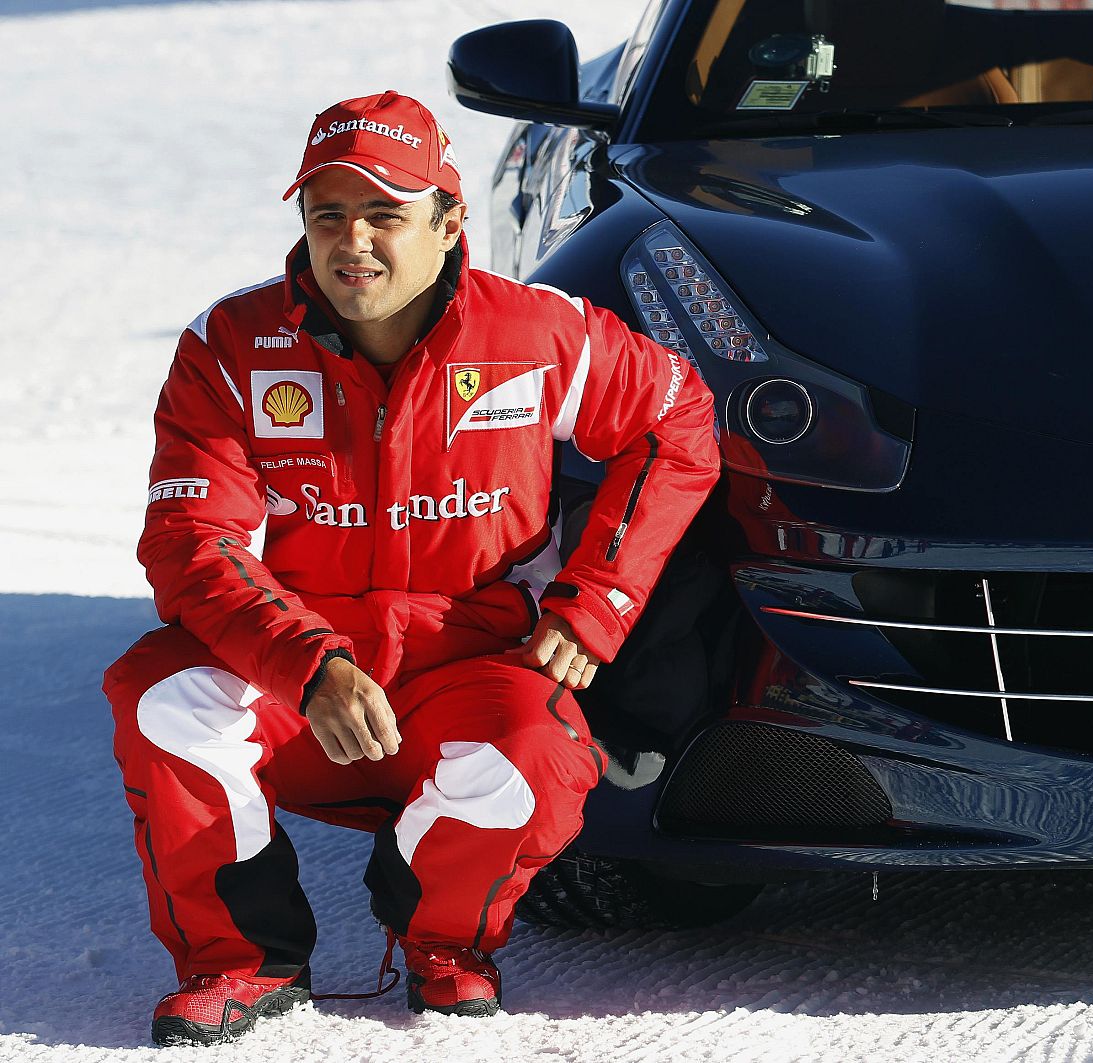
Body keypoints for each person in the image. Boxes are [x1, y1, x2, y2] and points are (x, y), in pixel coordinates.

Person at [102, 91, 719, 1047]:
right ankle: (238, 962)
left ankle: (442, 939)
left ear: (449, 221)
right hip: (304, 681)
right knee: (158, 693)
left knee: (538, 754)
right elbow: (191, 544)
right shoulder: (231, 347)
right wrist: (307, 664)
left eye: (386, 214)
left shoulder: (540, 333)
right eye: (327, 215)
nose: (353, 241)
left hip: (471, 669)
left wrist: (599, 599)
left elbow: (678, 423)